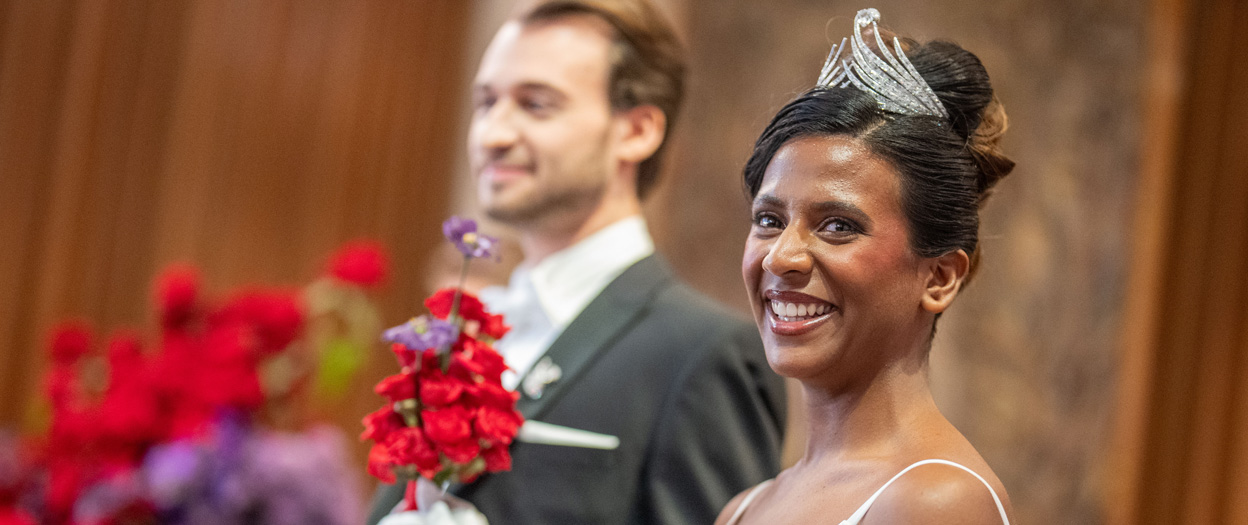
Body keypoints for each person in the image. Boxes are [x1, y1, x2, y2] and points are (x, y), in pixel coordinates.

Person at [366, 1, 786, 523]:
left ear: (637, 131)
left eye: (536, 104)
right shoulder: (466, 331)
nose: (493, 134)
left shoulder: (702, 355)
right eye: (486, 102)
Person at [716, 8, 1015, 525]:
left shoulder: (936, 501)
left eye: (837, 225)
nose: (781, 256)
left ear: (940, 277)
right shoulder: (743, 509)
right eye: (768, 220)